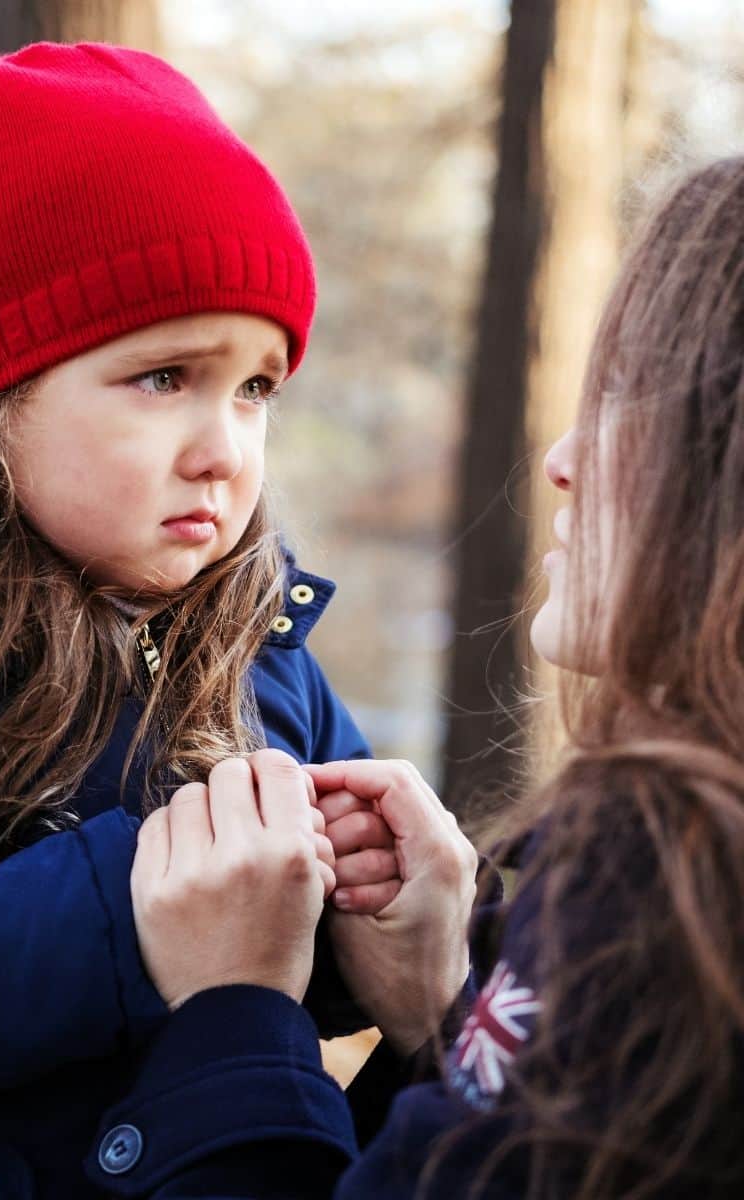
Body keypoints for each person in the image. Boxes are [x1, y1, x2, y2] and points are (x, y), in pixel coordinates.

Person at [84, 155, 744, 1199]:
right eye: (162, 376)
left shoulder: (677, 880)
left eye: (633, 400)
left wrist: (236, 1010)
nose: (560, 457)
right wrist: (446, 1014)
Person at [0, 41, 403, 1200]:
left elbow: (299, 964)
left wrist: (373, 899)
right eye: (165, 378)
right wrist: (130, 911)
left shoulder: (261, 645)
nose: (225, 450)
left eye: (256, 388)